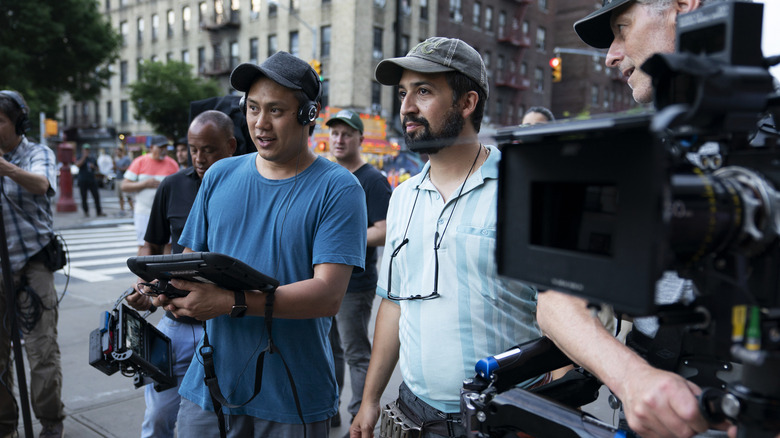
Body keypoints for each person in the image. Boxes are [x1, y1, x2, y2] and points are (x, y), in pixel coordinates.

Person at [537, 2, 778, 438]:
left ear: (683, 6)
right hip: (646, 415)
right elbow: (556, 300)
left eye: (622, 29)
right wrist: (633, 379)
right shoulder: (634, 154)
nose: (611, 55)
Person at [154, 51, 367, 437]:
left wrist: (230, 303)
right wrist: (167, 287)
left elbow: (326, 296)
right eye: (252, 108)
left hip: (292, 396)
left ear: (308, 115)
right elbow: (190, 262)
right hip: (210, 389)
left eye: (275, 111)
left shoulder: (339, 189)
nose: (260, 123)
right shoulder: (219, 174)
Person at [350, 37, 543, 438]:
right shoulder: (402, 197)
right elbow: (391, 305)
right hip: (415, 416)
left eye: (423, 91)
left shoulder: (524, 188)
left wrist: (553, 409)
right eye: (403, 93)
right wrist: (369, 401)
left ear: (467, 103)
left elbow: (564, 317)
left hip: (509, 417)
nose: (405, 107)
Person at [124, 110, 237, 438]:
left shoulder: (249, 186)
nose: (199, 158)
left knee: (213, 424)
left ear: (230, 145)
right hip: (175, 322)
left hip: (226, 328)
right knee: (158, 416)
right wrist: (145, 288)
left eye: (209, 149)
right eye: (192, 149)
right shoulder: (172, 186)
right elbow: (151, 246)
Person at [0, 90, 65, 438]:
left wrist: (5, 167)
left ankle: (51, 423)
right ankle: (5, 424)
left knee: (41, 352)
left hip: (33, 265)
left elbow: (42, 184)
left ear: (18, 123)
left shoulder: (37, 153)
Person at [326, 109, 392, 429]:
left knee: (355, 352)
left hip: (356, 284)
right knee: (330, 349)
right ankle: (331, 408)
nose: (339, 139)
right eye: (335, 133)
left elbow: (384, 229)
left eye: (346, 134)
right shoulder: (327, 174)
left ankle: (358, 416)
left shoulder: (373, 180)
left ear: (360, 140)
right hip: (322, 281)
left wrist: (340, 239)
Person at [121, 136, 179, 253]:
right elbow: (124, 186)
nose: (164, 150)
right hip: (144, 212)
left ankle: (166, 271)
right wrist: (144, 184)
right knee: (144, 245)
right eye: (160, 147)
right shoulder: (140, 162)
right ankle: (144, 271)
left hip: (166, 214)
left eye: (165, 147)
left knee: (167, 244)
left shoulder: (172, 164)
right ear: (151, 148)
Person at [75, 143, 105, 217]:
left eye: (88, 149)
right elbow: (77, 165)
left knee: (96, 196)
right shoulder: (80, 157)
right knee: (84, 197)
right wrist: (84, 157)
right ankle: (86, 212)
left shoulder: (92, 158)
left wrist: (93, 167)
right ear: (82, 150)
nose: (86, 151)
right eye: (85, 149)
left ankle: (99, 211)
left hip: (92, 179)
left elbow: (97, 168)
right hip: (83, 179)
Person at [113, 147, 134, 214]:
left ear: (121, 152)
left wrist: (117, 167)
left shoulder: (126, 159)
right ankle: (122, 210)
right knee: (120, 196)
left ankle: (132, 209)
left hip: (124, 179)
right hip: (118, 179)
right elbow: (115, 170)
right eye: (115, 152)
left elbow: (127, 168)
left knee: (128, 196)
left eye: (117, 152)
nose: (116, 153)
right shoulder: (117, 160)